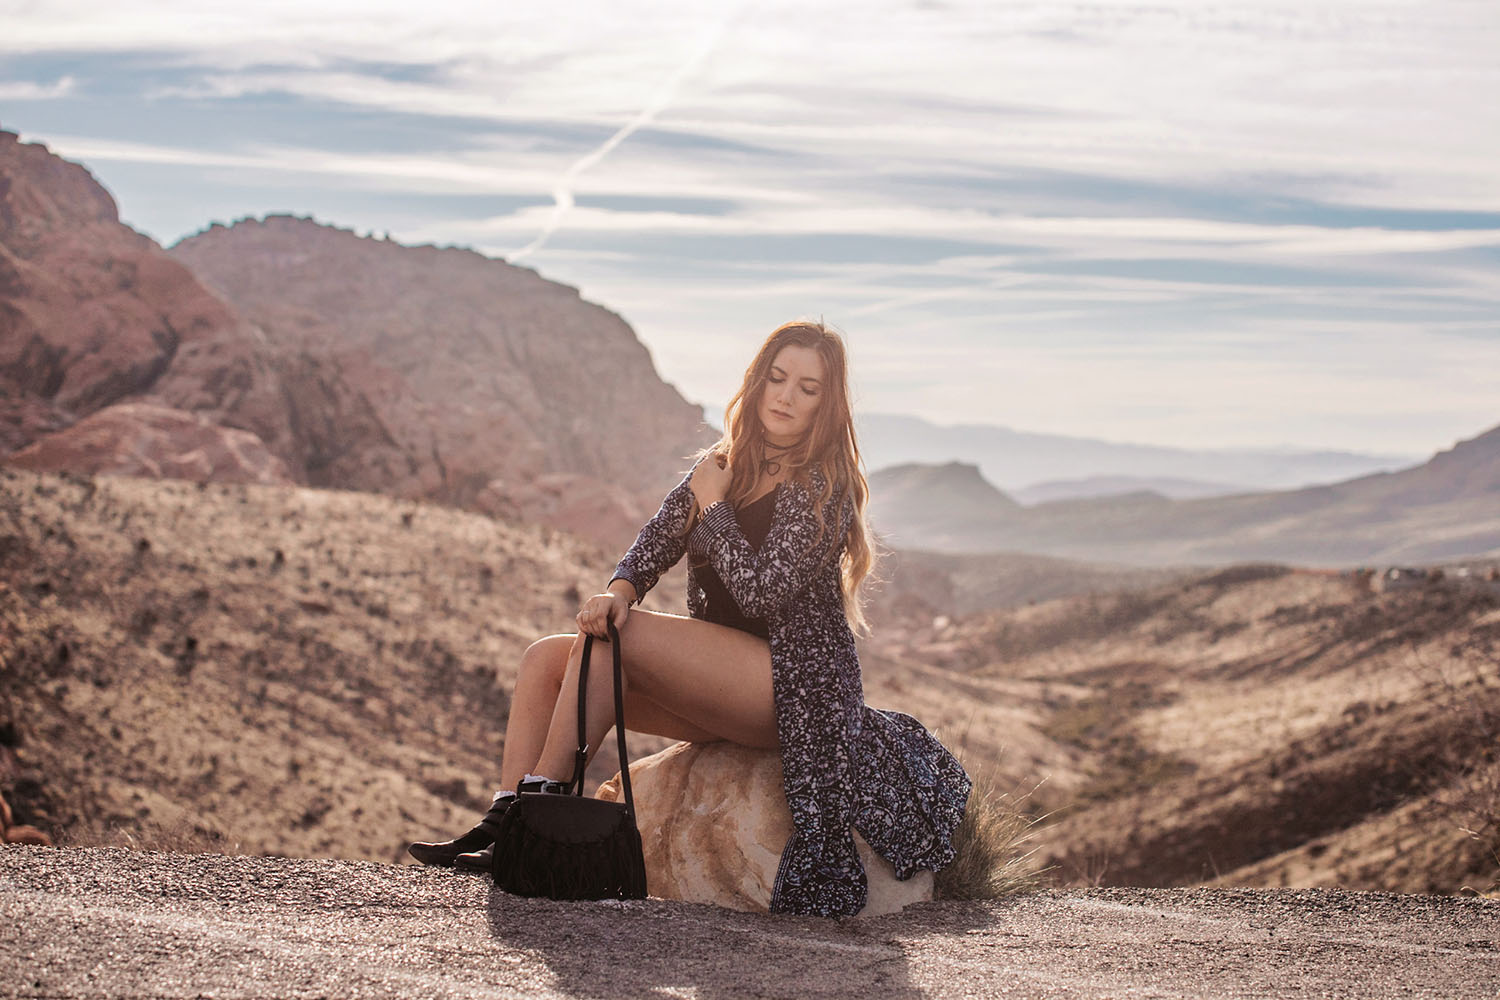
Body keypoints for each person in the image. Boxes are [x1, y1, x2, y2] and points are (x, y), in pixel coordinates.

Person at [408, 320, 970, 917]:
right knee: (548, 658)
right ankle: (507, 820)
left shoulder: (821, 486)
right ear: (756, 384)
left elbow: (761, 593)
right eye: (777, 379)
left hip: (797, 691)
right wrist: (618, 591)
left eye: (807, 388)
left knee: (617, 639)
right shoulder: (722, 465)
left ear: (827, 404)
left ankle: (533, 816)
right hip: (725, 682)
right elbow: (654, 542)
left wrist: (716, 507)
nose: (785, 397)